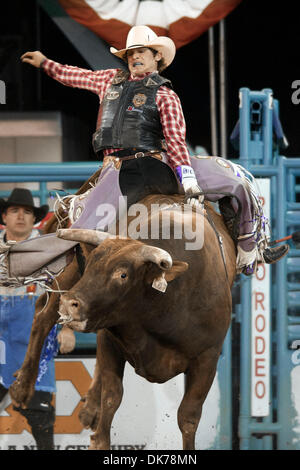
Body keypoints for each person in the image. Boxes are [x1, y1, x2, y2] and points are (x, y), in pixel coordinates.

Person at [0, 26, 288, 283]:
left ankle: (250, 248)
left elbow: (175, 139)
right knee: (81, 228)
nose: (134, 57)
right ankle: (14, 264)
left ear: (156, 57)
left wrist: (186, 175)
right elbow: (78, 76)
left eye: (141, 52)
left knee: (235, 182)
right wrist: (46, 64)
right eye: (130, 53)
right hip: (118, 168)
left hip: (159, 161)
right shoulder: (109, 81)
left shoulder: (164, 94)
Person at [0, 188, 58, 450]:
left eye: (27, 212)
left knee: (41, 417)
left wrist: (66, 329)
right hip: (1, 340)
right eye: (15, 211)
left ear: (35, 218)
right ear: (5, 216)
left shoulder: (49, 249)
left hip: (33, 339)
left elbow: (62, 290)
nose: (21, 216)